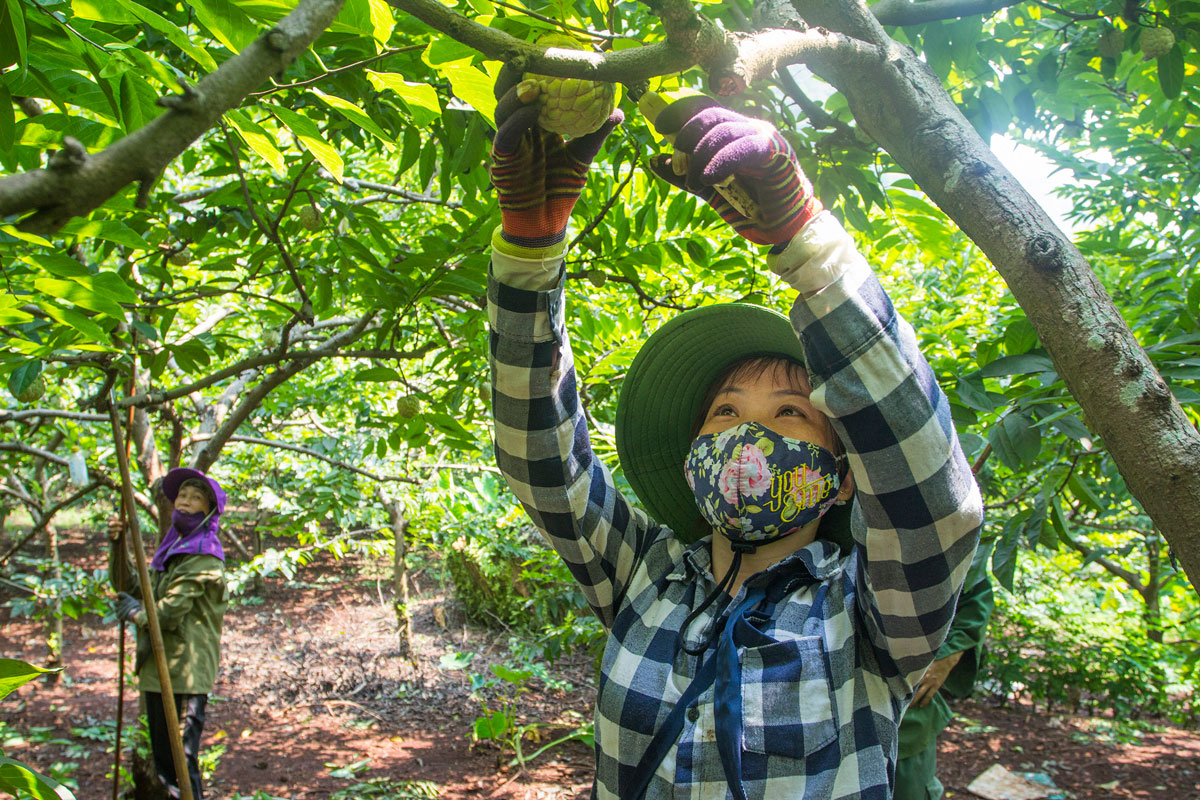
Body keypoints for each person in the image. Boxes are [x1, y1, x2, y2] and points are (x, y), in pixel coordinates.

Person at [485, 71, 984, 800]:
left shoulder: (871, 614)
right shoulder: (645, 576)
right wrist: (530, 255)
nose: (749, 434)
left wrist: (804, 238)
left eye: (790, 413)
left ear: (842, 474)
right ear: (694, 455)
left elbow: (931, 496)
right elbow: (541, 460)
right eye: (725, 412)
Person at [109, 467, 229, 800]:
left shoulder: (203, 555)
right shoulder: (171, 550)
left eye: (196, 498)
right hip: (156, 668)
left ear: (209, 511)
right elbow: (131, 586)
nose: (185, 503)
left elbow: (169, 613)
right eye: (182, 497)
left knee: (181, 762)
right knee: (164, 765)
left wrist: (136, 613)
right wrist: (118, 544)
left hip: (183, 673)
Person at [895, 542, 995, 800]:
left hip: (909, 692)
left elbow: (974, 593)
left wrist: (947, 658)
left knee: (908, 783)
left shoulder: (938, 510)